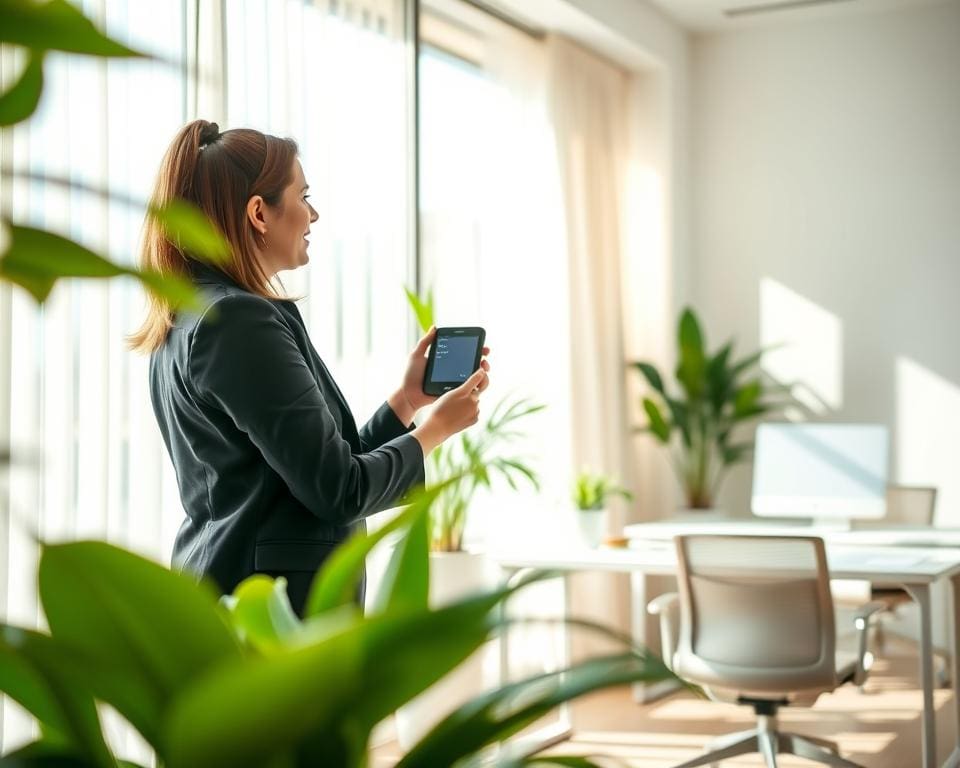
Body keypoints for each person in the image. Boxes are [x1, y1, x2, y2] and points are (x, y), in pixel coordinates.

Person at [130, 119, 489, 616]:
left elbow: (320, 469)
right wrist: (437, 429)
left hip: (230, 594)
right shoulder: (238, 322)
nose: (313, 214)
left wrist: (407, 402)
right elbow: (340, 491)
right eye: (303, 196)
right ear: (259, 213)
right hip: (266, 611)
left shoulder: (192, 314)